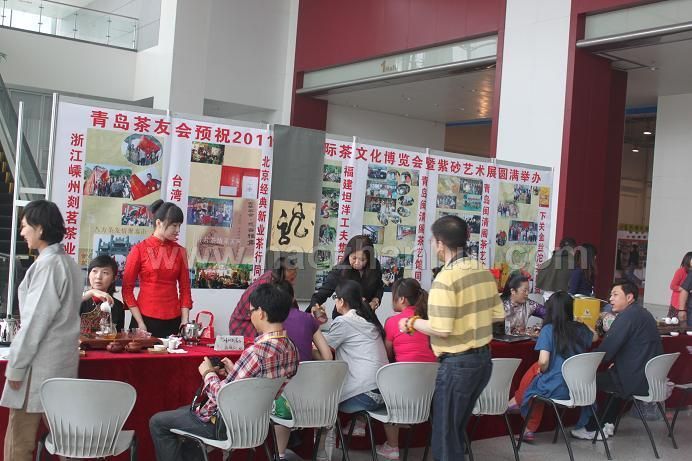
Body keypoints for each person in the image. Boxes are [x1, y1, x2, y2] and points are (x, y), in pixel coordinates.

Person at [149, 283, 299, 461]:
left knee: (158, 422)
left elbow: (221, 396)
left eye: (250, 311)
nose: (250, 316)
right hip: (256, 424)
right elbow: (260, 386)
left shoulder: (256, 352)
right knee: (184, 416)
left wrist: (208, 373)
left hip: (227, 425)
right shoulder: (291, 349)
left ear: (261, 313)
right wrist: (233, 372)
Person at [399, 215, 504, 461]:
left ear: (440, 243)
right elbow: (497, 315)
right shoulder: (482, 270)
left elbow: (442, 328)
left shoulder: (445, 278)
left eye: (433, 240)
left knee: (445, 437)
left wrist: (411, 322)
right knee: (454, 432)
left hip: (458, 364)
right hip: (483, 361)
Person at [0, 200, 82, 461]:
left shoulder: (49, 265)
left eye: (26, 226)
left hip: (38, 366)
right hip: (60, 362)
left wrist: (17, 365)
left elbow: (36, 321)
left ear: (41, 229)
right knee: (66, 440)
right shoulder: (68, 263)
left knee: (19, 441)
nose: (22, 232)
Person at [571, 279, 663, 440]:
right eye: (611, 295)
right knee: (612, 378)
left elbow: (605, 352)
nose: (610, 299)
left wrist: (582, 364)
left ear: (629, 297)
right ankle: (607, 424)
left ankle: (592, 427)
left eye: (615, 295)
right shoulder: (643, 313)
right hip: (650, 378)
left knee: (587, 379)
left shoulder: (627, 316)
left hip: (634, 378)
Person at [508, 292, 596, 441]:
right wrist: (580, 321)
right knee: (537, 374)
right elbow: (595, 336)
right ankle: (518, 409)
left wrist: (542, 371)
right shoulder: (580, 329)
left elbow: (543, 361)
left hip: (558, 389)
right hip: (581, 389)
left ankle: (517, 404)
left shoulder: (549, 329)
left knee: (536, 381)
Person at [272, 280, 333, 461]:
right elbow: (328, 357)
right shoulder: (308, 319)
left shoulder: (270, 322)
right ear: (293, 298)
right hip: (311, 397)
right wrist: (307, 350)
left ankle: (279, 454)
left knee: (279, 394)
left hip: (282, 398)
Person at [378, 278, 436, 460]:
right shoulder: (430, 322)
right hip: (429, 395)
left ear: (402, 299)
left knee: (383, 385)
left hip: (402, 395)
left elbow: (387, 354)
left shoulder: (393, 322)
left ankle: (392, 446)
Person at [324, 280, 388, 436]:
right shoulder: (369, 321)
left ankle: (326, 444)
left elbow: (324, 351)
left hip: (364, 396)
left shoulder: (343, 321)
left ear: (341, 301)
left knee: (324, 399)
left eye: (335, 298)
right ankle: (359, 422)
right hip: (385, 394)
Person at [122, 200, 193, 338]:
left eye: (179, 225)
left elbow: (185, 288)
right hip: (144, 319)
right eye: (174, 225)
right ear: (159, 223)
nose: (178, 230)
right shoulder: (139, 250)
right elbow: (127, 290)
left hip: (174, 320)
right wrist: (140, 322)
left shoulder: (181, 252)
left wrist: (185, 321)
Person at [308, 235, 384, 320]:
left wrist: (375, 300)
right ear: (348, 255)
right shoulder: (339, 270)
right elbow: (322, 294)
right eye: (354, 258)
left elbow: (379, 286)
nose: (357, 263)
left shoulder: (375, 266)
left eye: (363, 260)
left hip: (366, 317)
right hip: (343, 319)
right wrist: (314, 307)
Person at [228, 257, 297, 338]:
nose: (294, 282)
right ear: (281, 274)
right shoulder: (267, 287)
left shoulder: (276, 279)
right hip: (243, 325)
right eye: (291, 279)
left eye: (294, 278)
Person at [80, 255, 125, 334]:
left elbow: (118, 336)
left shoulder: (118, 306)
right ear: (89, 274)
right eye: (94, 271)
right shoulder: (80, 300)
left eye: (105, 272)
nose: (98, 277)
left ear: (114, 278)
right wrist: (91, 293)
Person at [668, 251, 692, 322]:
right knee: (673, 323)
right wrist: (684, 288)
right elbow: (672, 286)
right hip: (677, 304)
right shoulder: (680, 271)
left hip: (687, 303)